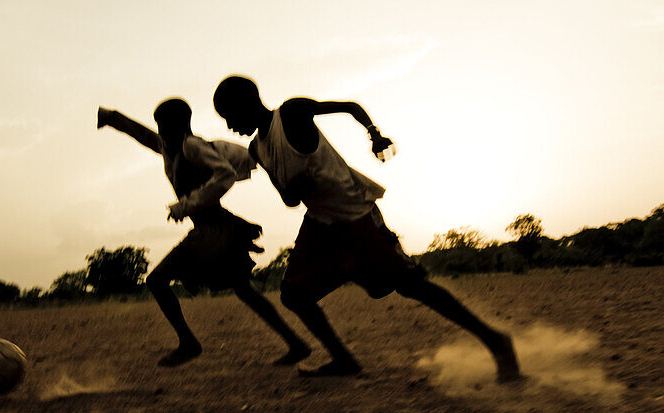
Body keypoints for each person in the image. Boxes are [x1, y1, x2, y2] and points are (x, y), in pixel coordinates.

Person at [213, 76, 520, 381]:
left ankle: (497, 342)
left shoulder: (291, 113)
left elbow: (350, 106)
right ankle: (344, 361)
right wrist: (297, 188)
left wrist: (374, 134)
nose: (230, 127)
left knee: (412, 285)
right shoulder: (257, 149)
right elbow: (290, 198)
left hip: (355, 215)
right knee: (295, 294)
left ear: (247, 103)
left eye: (230, 117)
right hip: (320, 223)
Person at [97, 99, 310, 367]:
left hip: (214, 231)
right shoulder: (169, 147)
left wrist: (186, 204)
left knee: (157, 280)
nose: (160, 131)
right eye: (159, 126)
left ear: (180, 125)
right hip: (214, 228)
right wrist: (112, 117)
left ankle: (188, 342)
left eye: (164, 125)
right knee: (244, 290)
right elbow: (142, 135)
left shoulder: (192, 146)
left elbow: (225, 174)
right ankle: (296, 343)